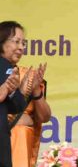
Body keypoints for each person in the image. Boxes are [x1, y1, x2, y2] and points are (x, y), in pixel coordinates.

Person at [0, 21, 48, 167]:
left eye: (23, 43)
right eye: (16, 42)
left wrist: (25, 90)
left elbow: (16, 107)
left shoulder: (10, 70)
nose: (21, 47)